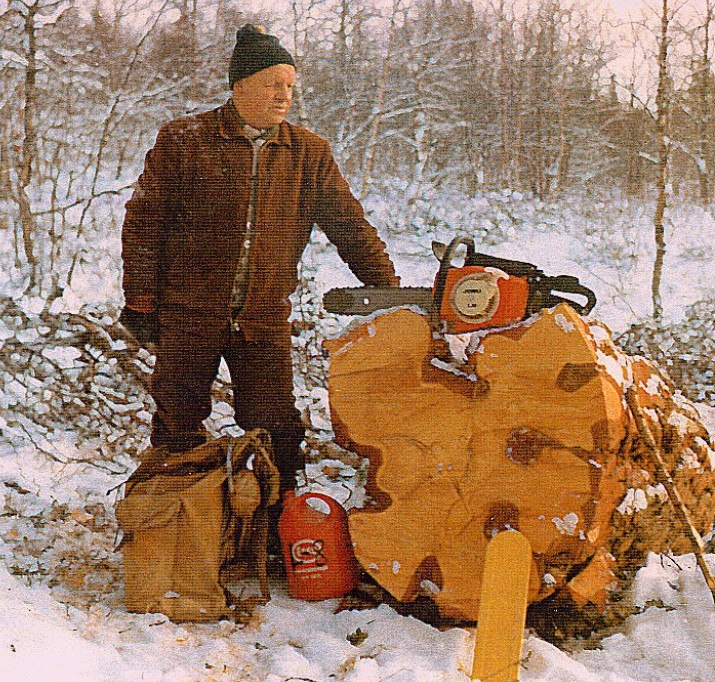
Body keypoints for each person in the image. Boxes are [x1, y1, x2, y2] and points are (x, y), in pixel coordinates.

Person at [119, 24, 399, 500]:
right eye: (273, 83)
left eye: (290, 86)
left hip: (264, 318)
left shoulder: (308, 153)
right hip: (189, 316)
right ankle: (174, 529)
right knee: (178, 428)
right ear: (240, 85)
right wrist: (142, 300)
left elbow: (350, 228)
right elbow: (144, 224)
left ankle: (273, 533)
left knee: (276, 432)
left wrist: (389, 294)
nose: (283, 95)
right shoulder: (185, 140)